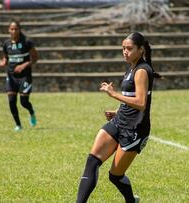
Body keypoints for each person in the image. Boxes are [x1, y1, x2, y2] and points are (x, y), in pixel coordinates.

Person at [76, 32, 161, 203]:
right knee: (92, 161)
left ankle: (131, 200)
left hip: (135, 130)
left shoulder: (142, 71)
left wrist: (113, 94)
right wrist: (118, 111)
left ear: (141, 50)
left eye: (129, 49)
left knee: (115, 176)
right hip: (120, 121)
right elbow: (131, 97)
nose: (125, 52)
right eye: (123, 48)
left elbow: (141, 102)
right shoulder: (131, 66)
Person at [0, 20, 38, 132]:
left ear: (19, 30)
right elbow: (6, 57)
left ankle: (31, 112)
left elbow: (35, 58)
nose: (14, 31)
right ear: (8, 30)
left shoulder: (27, 42)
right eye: (12, 29)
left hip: (25, 76)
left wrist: (23, 65)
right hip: (11, 76)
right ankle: (18, 125)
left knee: (24, 102)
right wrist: (3, 62)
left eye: (16, 29)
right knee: (11, 100)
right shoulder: (6, 44)